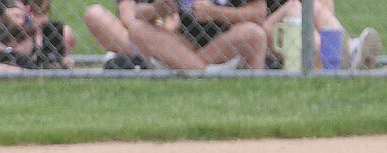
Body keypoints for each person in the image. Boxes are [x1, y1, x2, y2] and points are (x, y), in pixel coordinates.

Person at [123, 0, 268, 70]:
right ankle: (201, 73)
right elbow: (139, 12)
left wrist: (215, 12)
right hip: (182, 47)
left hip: (227, 42)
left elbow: (258, 13)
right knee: (137, 28)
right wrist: (157, 9)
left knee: (254, 34)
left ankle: (195, 73)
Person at [263, 0, 382, 70]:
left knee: (314, 3)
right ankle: (339, 58)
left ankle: (345, 51)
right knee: (293, 7)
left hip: (297, 28)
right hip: (265, 32)